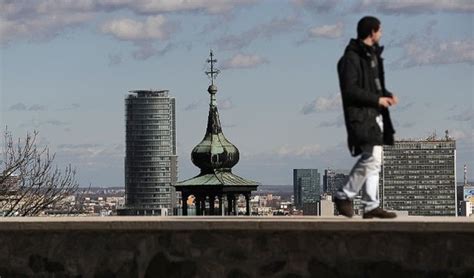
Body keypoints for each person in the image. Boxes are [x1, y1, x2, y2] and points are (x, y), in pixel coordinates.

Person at [335, 16, 398, 219]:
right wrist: (377, 100)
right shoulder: (352, 58)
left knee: (375, 160)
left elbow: (373, 86)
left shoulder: (370, 57)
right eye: (379, 30)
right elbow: (350, 90)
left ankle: (371, 205)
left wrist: (385, 95)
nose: (381, 34)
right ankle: (344, 194)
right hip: (362, 116)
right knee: (370, 158)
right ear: (372, 32)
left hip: (374, 114)